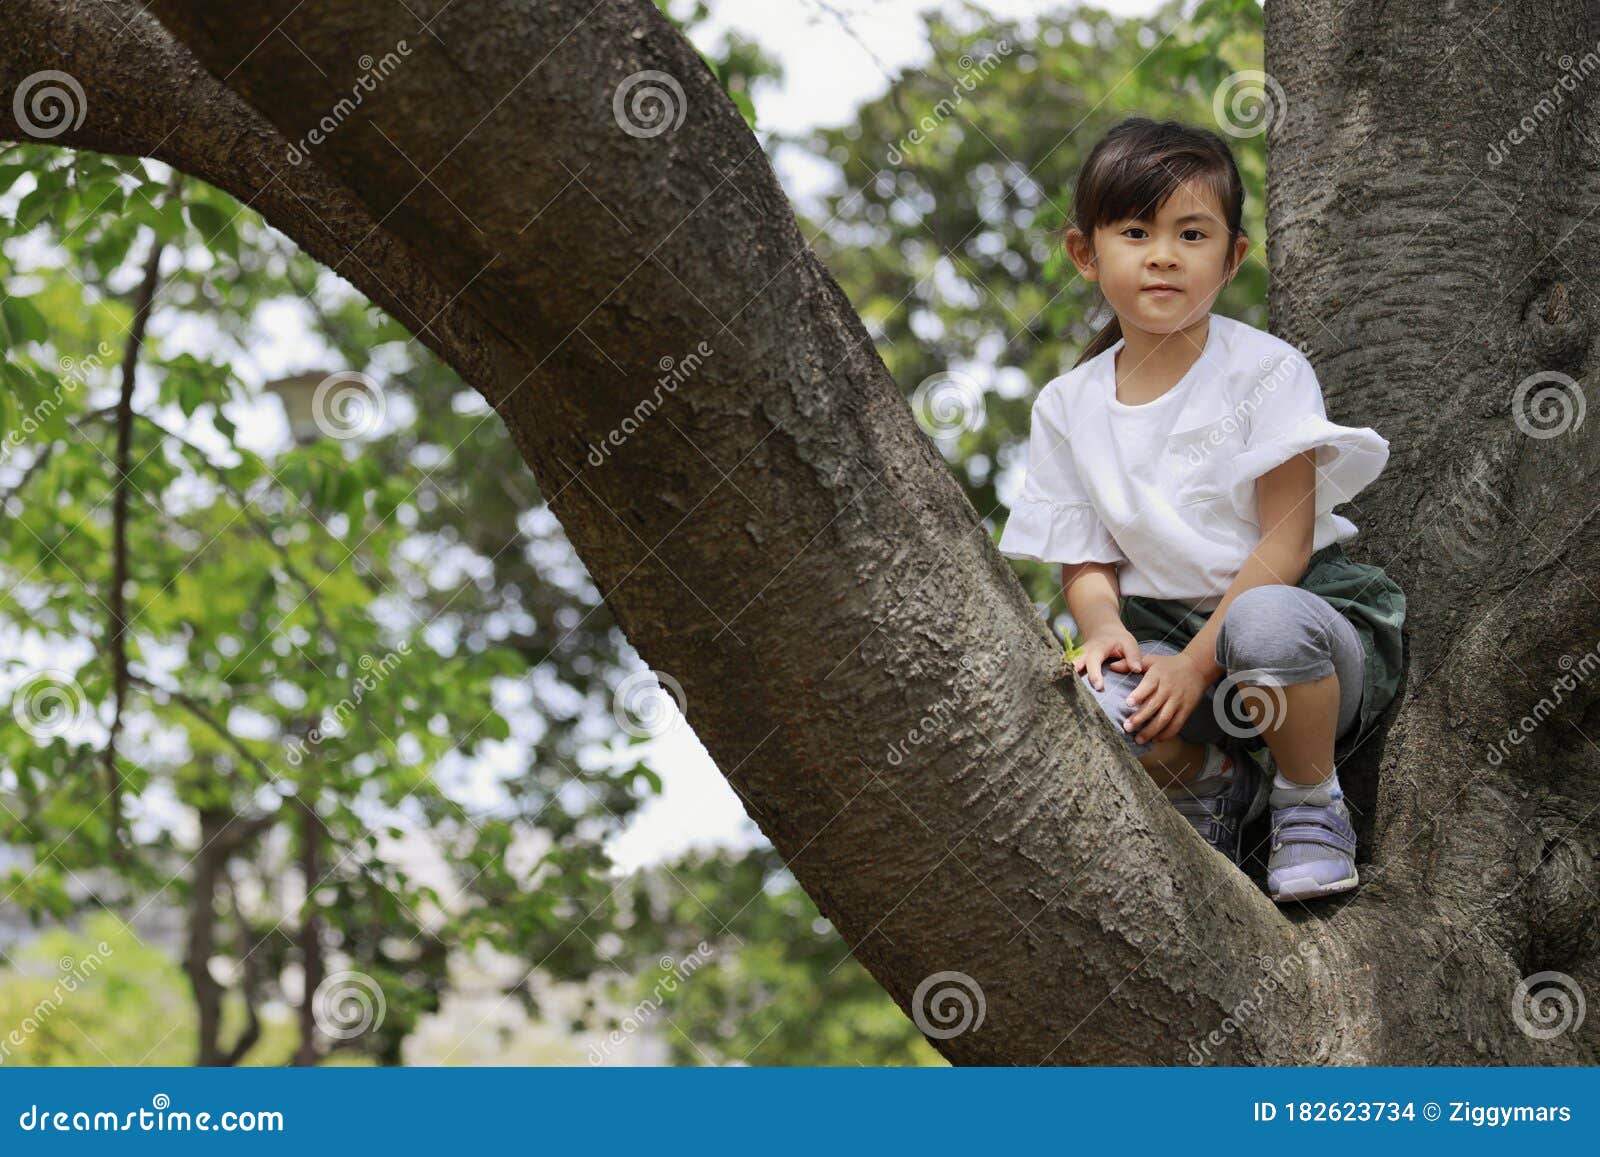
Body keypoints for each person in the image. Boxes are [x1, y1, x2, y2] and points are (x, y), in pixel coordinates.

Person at [997, 116, 1406, 903]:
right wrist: (1108, 632)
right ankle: (1215, 781)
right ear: (1086, 253)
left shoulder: (1266, 370)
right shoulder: (1066, 404)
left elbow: (1284, 545)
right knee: (1089, 693)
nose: (1162, 255)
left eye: (1191, 233)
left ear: (1231, 258)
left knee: (1266, 624)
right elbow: (1084, 553)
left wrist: (1197, 664)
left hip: (1298, 627)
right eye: (1135, 231)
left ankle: (1307, 798)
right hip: (1169, 638)